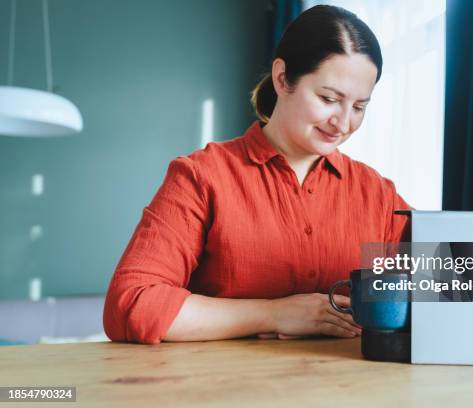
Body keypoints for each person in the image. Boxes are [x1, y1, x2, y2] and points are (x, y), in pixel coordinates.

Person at [103, 5, 412, 345]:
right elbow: (131, 304)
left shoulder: (378, 195)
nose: (343, 123)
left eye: (358, 107)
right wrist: (274, 313)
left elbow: (462, 286)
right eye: (328, 99)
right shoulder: (202, 176)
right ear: (282, 78)